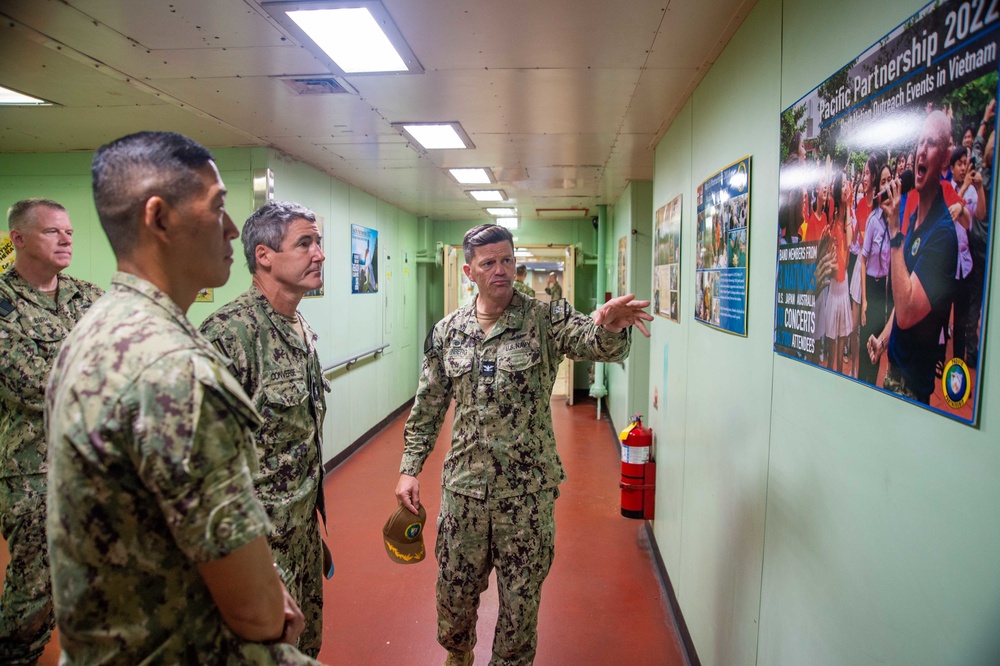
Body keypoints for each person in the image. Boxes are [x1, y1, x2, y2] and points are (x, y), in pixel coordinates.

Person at [45, 131, 318, 664]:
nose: (232, 228)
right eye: (217, 207)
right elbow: (259, 614)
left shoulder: (98, 326)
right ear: (159, 218)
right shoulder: (176, 371)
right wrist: (271, 607)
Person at [394, 223, 652, 666]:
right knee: (453, 605)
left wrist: (608, 326)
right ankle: (459, 657)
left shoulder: (545, 318)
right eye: (489, 262)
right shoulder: (447, 333)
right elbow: (429, 405)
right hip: (464, 494)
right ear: (469, 271)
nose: (501, 270)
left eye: (508, 260)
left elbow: (596, 344)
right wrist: (409, 467)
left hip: (526, 498)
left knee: (519, 611)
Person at [200, 200, 330, 658]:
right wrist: (250, 570)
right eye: (305, 243)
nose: (319, 254)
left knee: (304, 648)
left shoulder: (299, 326)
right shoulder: (228, 335)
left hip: (302, 531)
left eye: (319, 243)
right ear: (264, 255)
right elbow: (204, 473)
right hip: (256, 548)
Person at [0, 199, 103, 664]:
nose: (65, 241)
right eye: (52, 232)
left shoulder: (90, 296)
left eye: (69, 232)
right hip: (37, 475)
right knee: (36, 595)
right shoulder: (4, 307)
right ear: (18, 239)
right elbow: (33, 386)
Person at [867, 111, 959, 404]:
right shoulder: (915, 223)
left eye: (931, 143)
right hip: (894, 371)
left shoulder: (943, 235)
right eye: (919, 142)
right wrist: (882, 339)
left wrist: (894, 230)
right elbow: (903, 292)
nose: (921, 149)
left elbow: (907, 313)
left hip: (912, 386)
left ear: (945, 158)